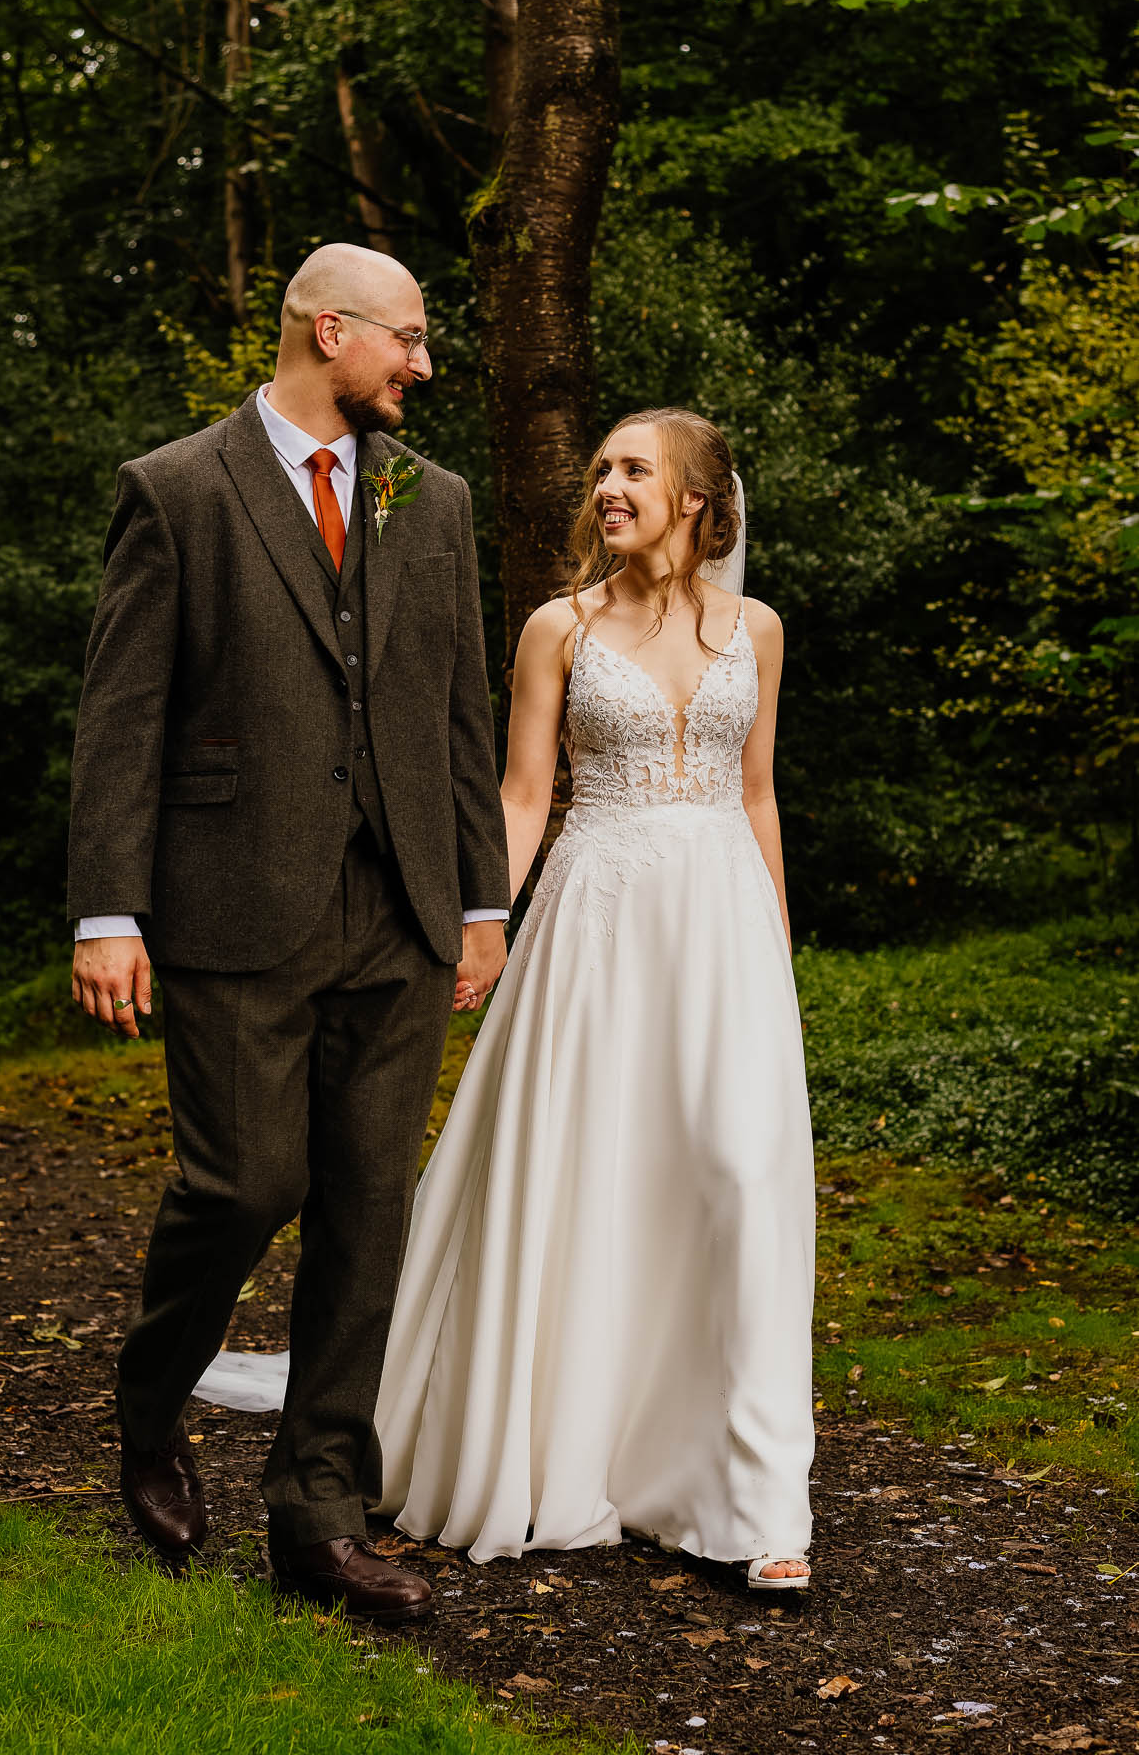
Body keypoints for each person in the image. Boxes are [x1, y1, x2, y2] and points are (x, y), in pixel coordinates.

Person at [200, 405, 815, 1588]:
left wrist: (773, 951)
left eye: (634, 470)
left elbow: (757, 792)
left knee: (740, 1176)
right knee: (586, 1174)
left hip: (723, 927)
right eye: (600, 470)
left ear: (695, 497)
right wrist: (479, 921)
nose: (608, 489)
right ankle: (575, 1450)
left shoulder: (758, 628)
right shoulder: (558, 629)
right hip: (596, 918)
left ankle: (755, 1497)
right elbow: (521, 795)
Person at [66, 243, 511, 1623]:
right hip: (230, 904)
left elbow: (459, 712)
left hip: (399, 912)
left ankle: (317, 1517)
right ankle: (152, 1400)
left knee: (369, 1214)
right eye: (410, 341)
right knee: (245, 1182)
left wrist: (481, 901)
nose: (423, 367)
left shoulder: (429, 505)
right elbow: (123, 715)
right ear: (332, 331)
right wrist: (106, 910)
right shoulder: (177, 492)